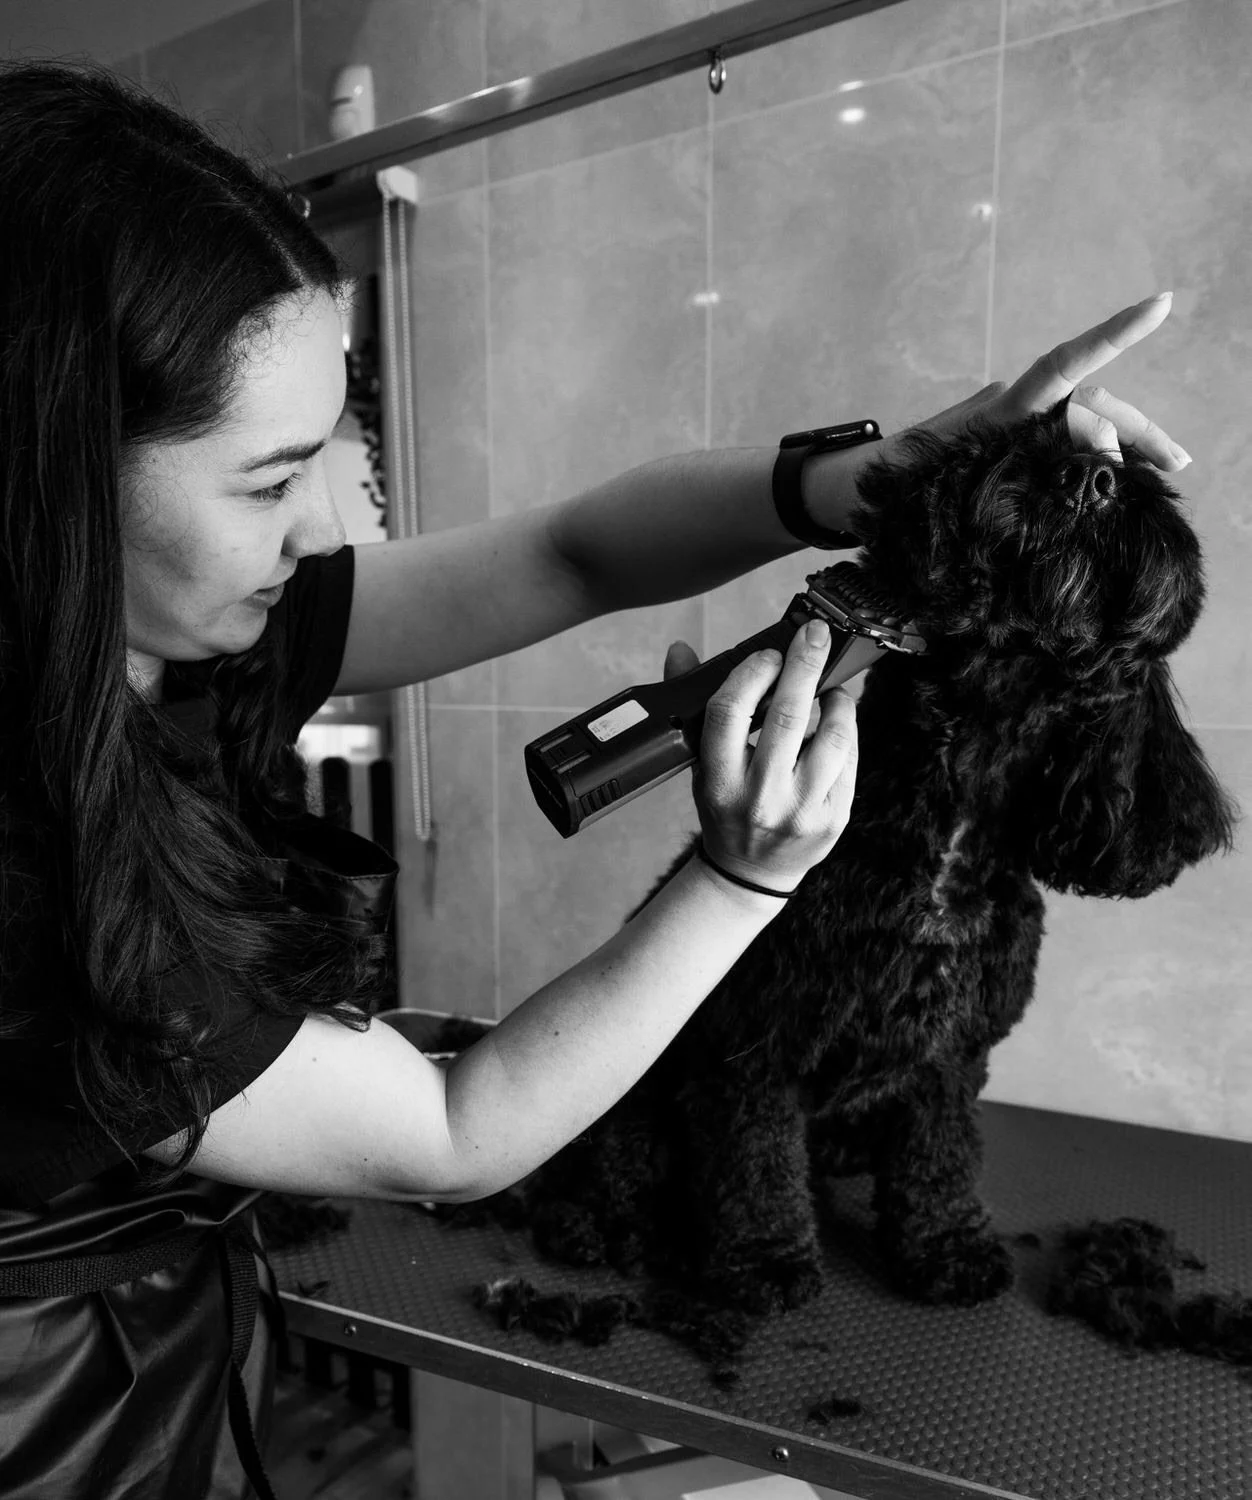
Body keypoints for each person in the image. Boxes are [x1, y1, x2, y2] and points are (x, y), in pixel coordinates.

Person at [0, 57, 1189, 1500]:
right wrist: (742, 878)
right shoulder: (25, 867)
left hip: (181, 1341)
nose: (327, 526)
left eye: (334, 450)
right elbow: (452, 1135)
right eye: (267, 480)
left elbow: (577, 550)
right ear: (41, 475)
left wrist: (874, 478)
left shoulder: (168, 626)